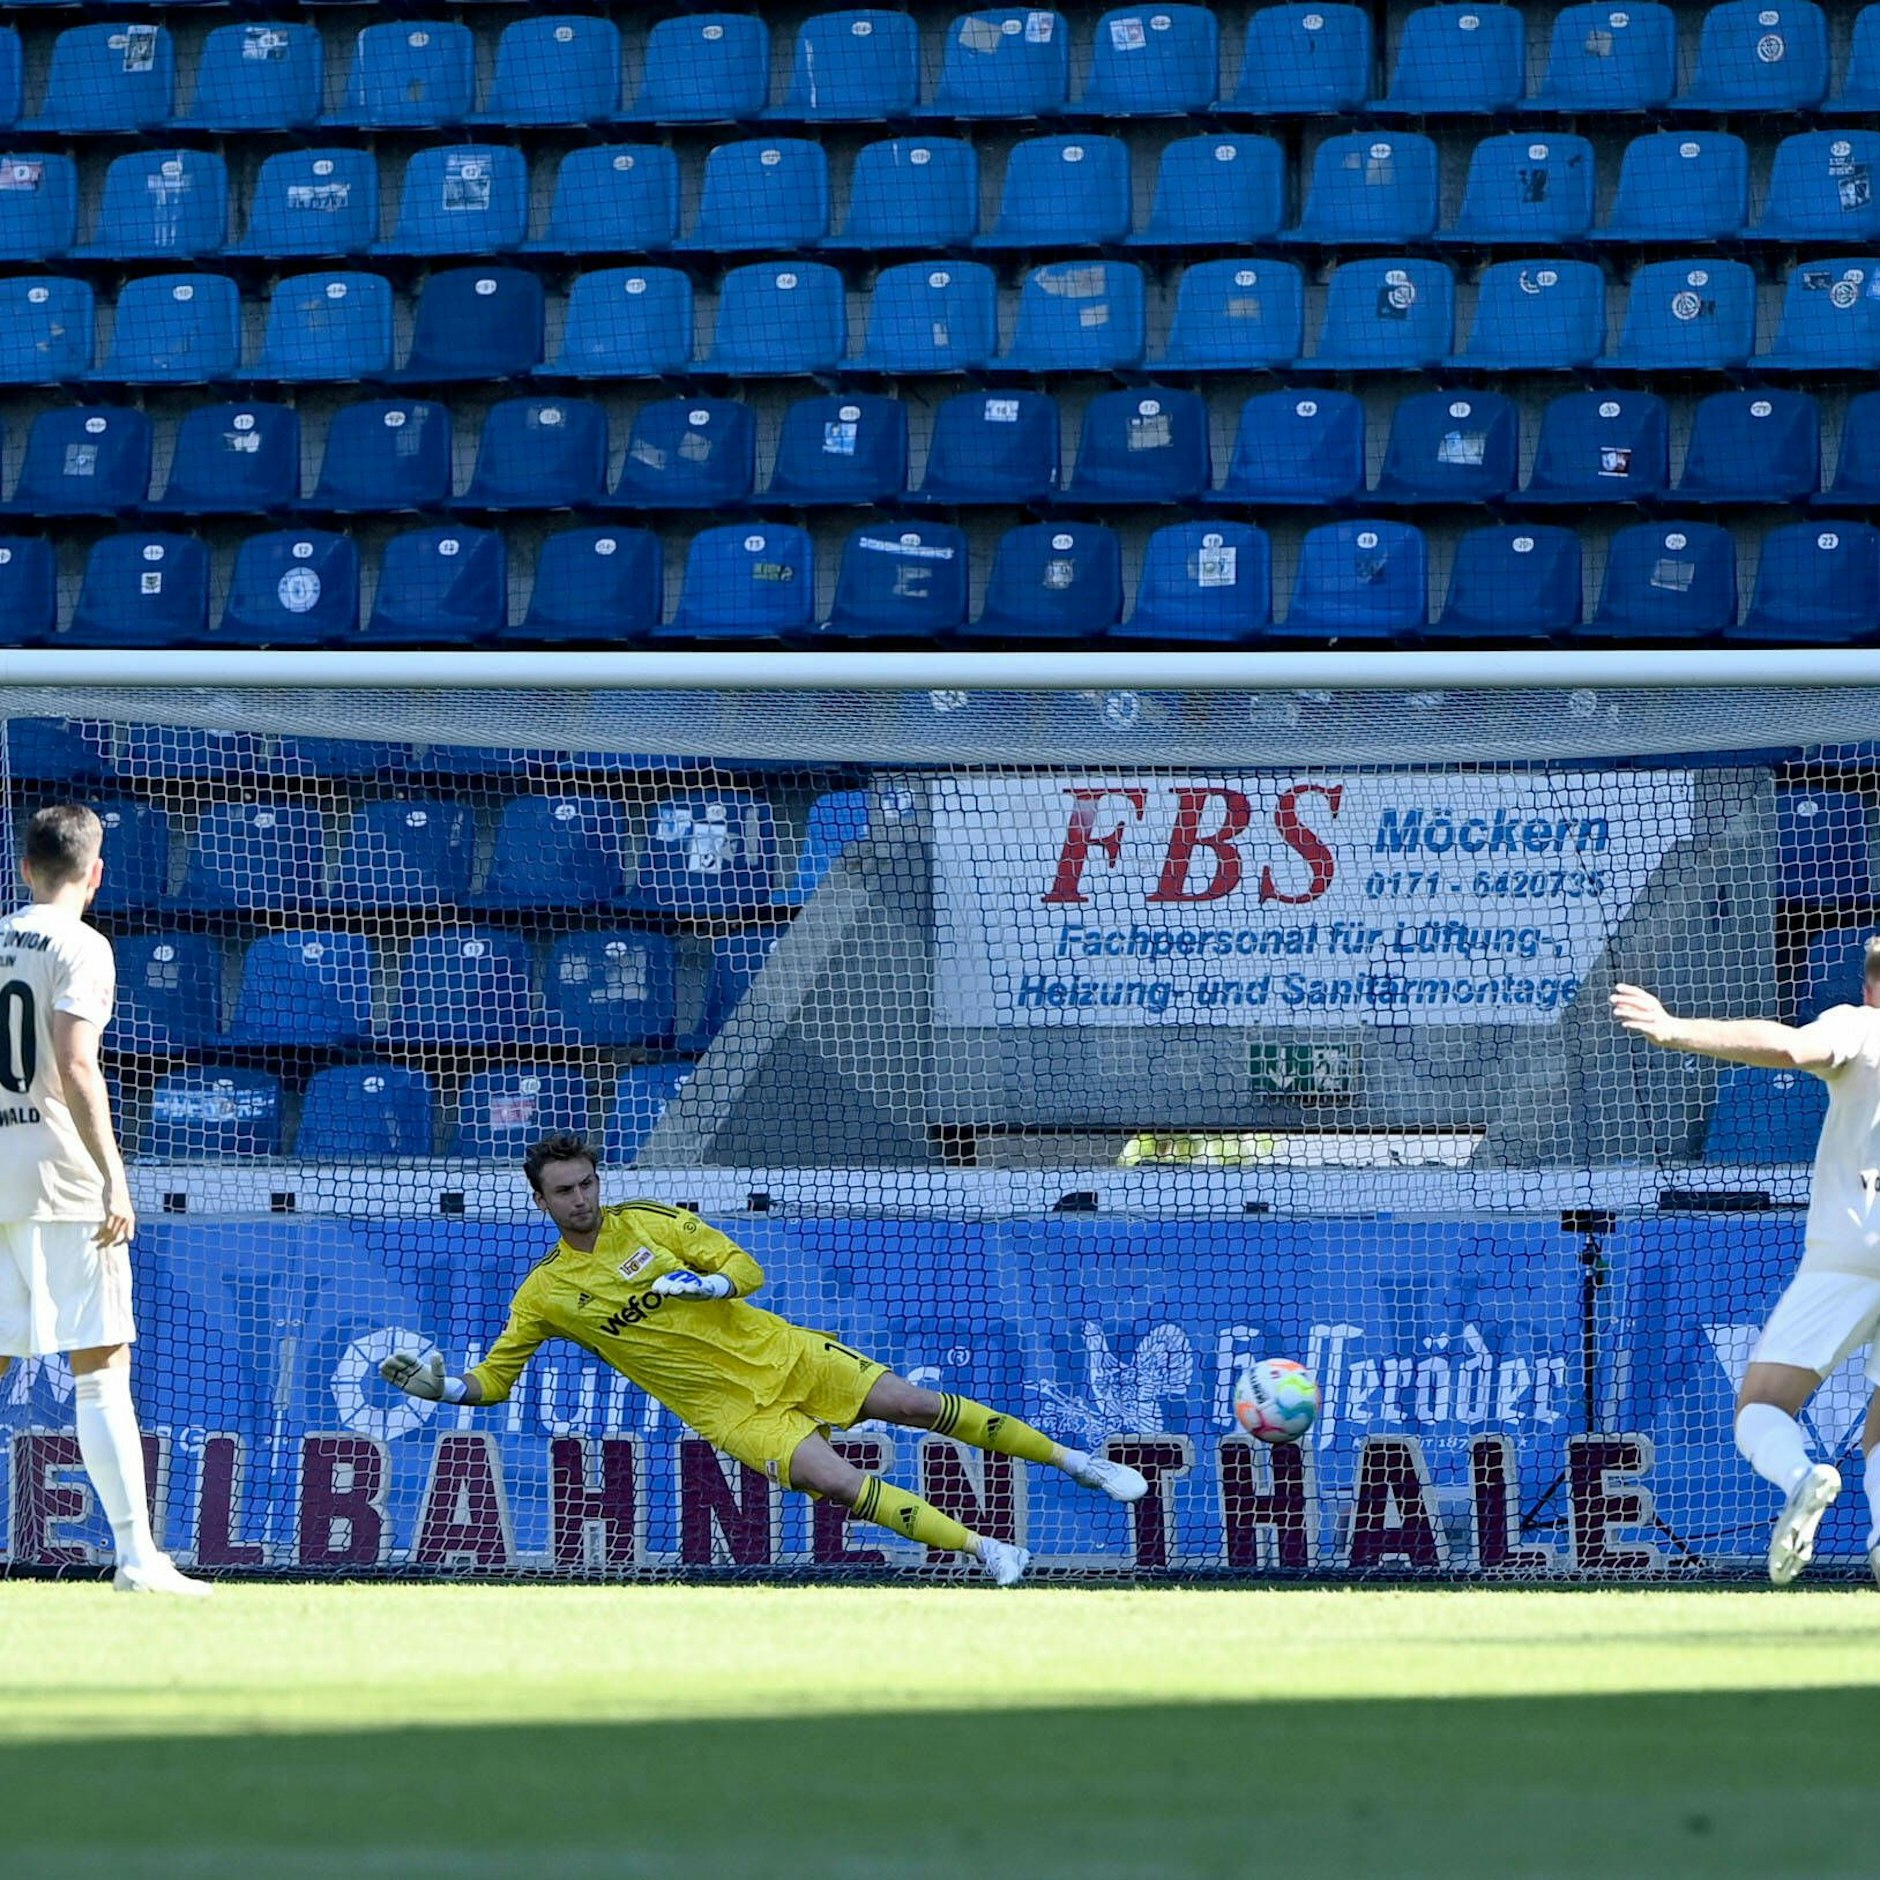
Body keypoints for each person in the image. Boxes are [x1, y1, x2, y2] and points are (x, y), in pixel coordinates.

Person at [382, 1133, 1148, 1584]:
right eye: (564, 1191)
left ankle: (1083, 1465)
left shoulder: (649, 1222)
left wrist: (710, 1280)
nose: (581, 1198)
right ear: (541, 1203)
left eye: (587, 1183)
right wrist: (443, 1388)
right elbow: (493, 1381)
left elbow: (747, 1269)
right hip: (732, 1413)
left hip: (781, 1354)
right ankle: (988, 1551)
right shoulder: (544, 1294)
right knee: (843, 1483)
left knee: (916, 1405)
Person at [1613, 958, 1880, 1586]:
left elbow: (1789, 1046)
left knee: (1761, 1404)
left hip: (1852, 1249)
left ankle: (1801, 1477)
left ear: (1870, 987)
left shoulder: (1862, 1025)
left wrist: (1675, 1030)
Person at [0, 805, 208, 1595]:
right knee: (102, 1363)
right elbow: (76, 1061)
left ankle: (138, 1559)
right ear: (94, 874)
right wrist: (114, 1176)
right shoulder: (82, 944)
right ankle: (136, 1558)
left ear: (24, 868)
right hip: (59, 1175)